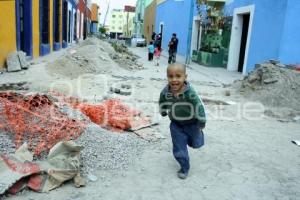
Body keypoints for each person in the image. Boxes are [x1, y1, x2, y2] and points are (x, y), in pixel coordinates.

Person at [159, 63, 206, 179]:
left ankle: (198, 136)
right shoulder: (166, 92)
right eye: (170, 76)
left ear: (185, 77)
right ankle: (184, 167)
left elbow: (198, 106)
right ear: (167, 77)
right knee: (179, 147)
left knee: (195, 143)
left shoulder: (190, 93)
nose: (174, 80)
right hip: (176, 124)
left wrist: (201, 121)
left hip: (192, 123)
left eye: (178, 76)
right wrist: (163, 110)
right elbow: (162, 100)